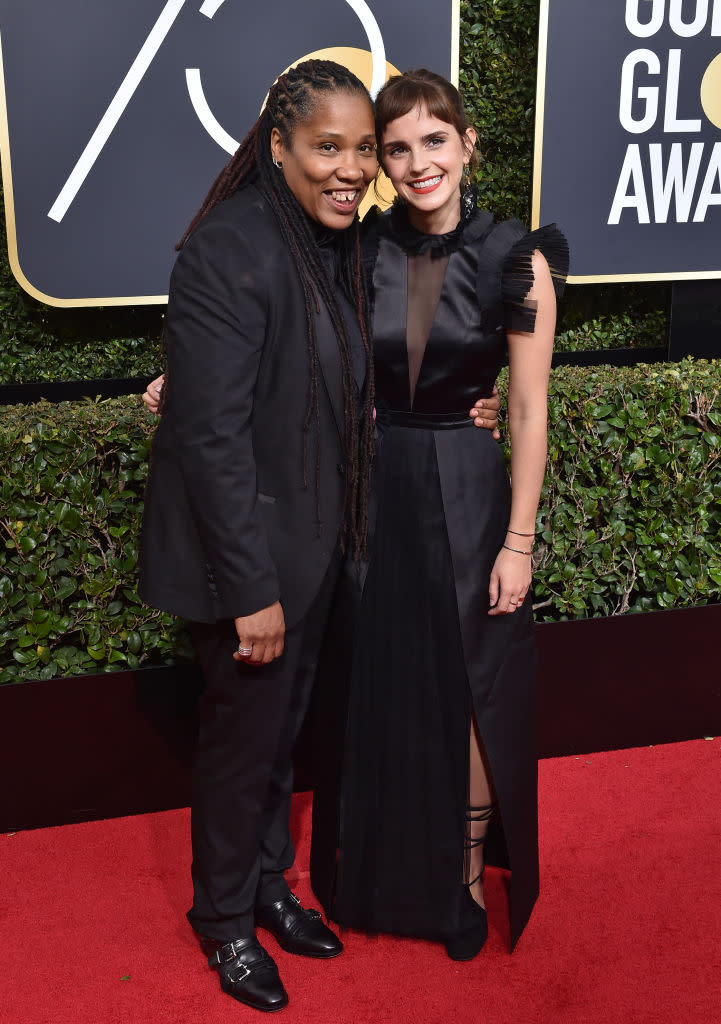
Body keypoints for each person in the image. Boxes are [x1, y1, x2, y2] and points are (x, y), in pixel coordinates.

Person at [138, 58, 501, 1011]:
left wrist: (471, 401)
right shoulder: (230, 246)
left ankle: (267, 888)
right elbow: (211, 440)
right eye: (324, 148)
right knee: (239, 750)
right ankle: (222, 923)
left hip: (319, 554)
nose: (349, 169)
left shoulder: (333, 243)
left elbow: (356, 377)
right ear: (277, 147)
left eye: (358, 150)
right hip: (253, 571)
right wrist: (250, 590)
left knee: (277, 744)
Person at [310, 69, 568, 961]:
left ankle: (459, 875)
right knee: (380, 673)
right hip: (374, 487)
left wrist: (519, 541)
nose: (417, 162)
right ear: (379, 162)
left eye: (433, 139)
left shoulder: (516, 258)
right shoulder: (356, 248)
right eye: (396, 147)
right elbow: (297, 350)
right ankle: (376, 865)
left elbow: (528, 407)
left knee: (468, 682)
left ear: (466, 144)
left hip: (465, 481)